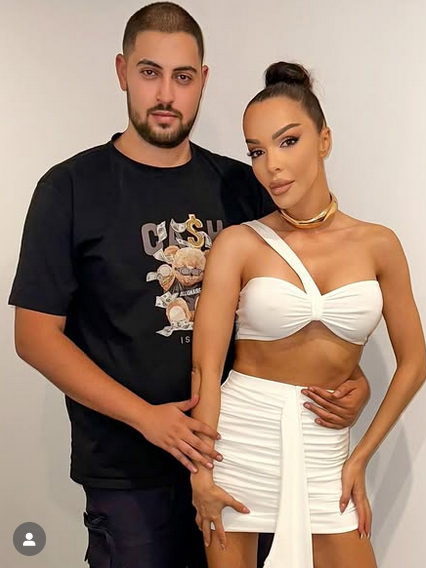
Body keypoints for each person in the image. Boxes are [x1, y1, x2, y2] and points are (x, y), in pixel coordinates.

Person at [9, 4, 371, 568]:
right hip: (129, 470)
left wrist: (354, 381)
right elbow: (34, 336)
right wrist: (146, 418)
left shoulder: (243, 185)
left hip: (245, 459)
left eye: (182, 77)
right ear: (122, 72)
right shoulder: (70, 188)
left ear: (202, 81)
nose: (166, 94)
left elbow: (295, 306)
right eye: (149, 72)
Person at [190, 61, 426, 568]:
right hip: (239, 442)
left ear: (324, 140)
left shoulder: (379, 244)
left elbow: (414, 365)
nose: (271, 165)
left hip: (325, 449)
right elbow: (206, 369)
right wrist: (201, 475)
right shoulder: (238, 244)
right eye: (257, 151)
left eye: (288, 141)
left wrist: (360, 456)